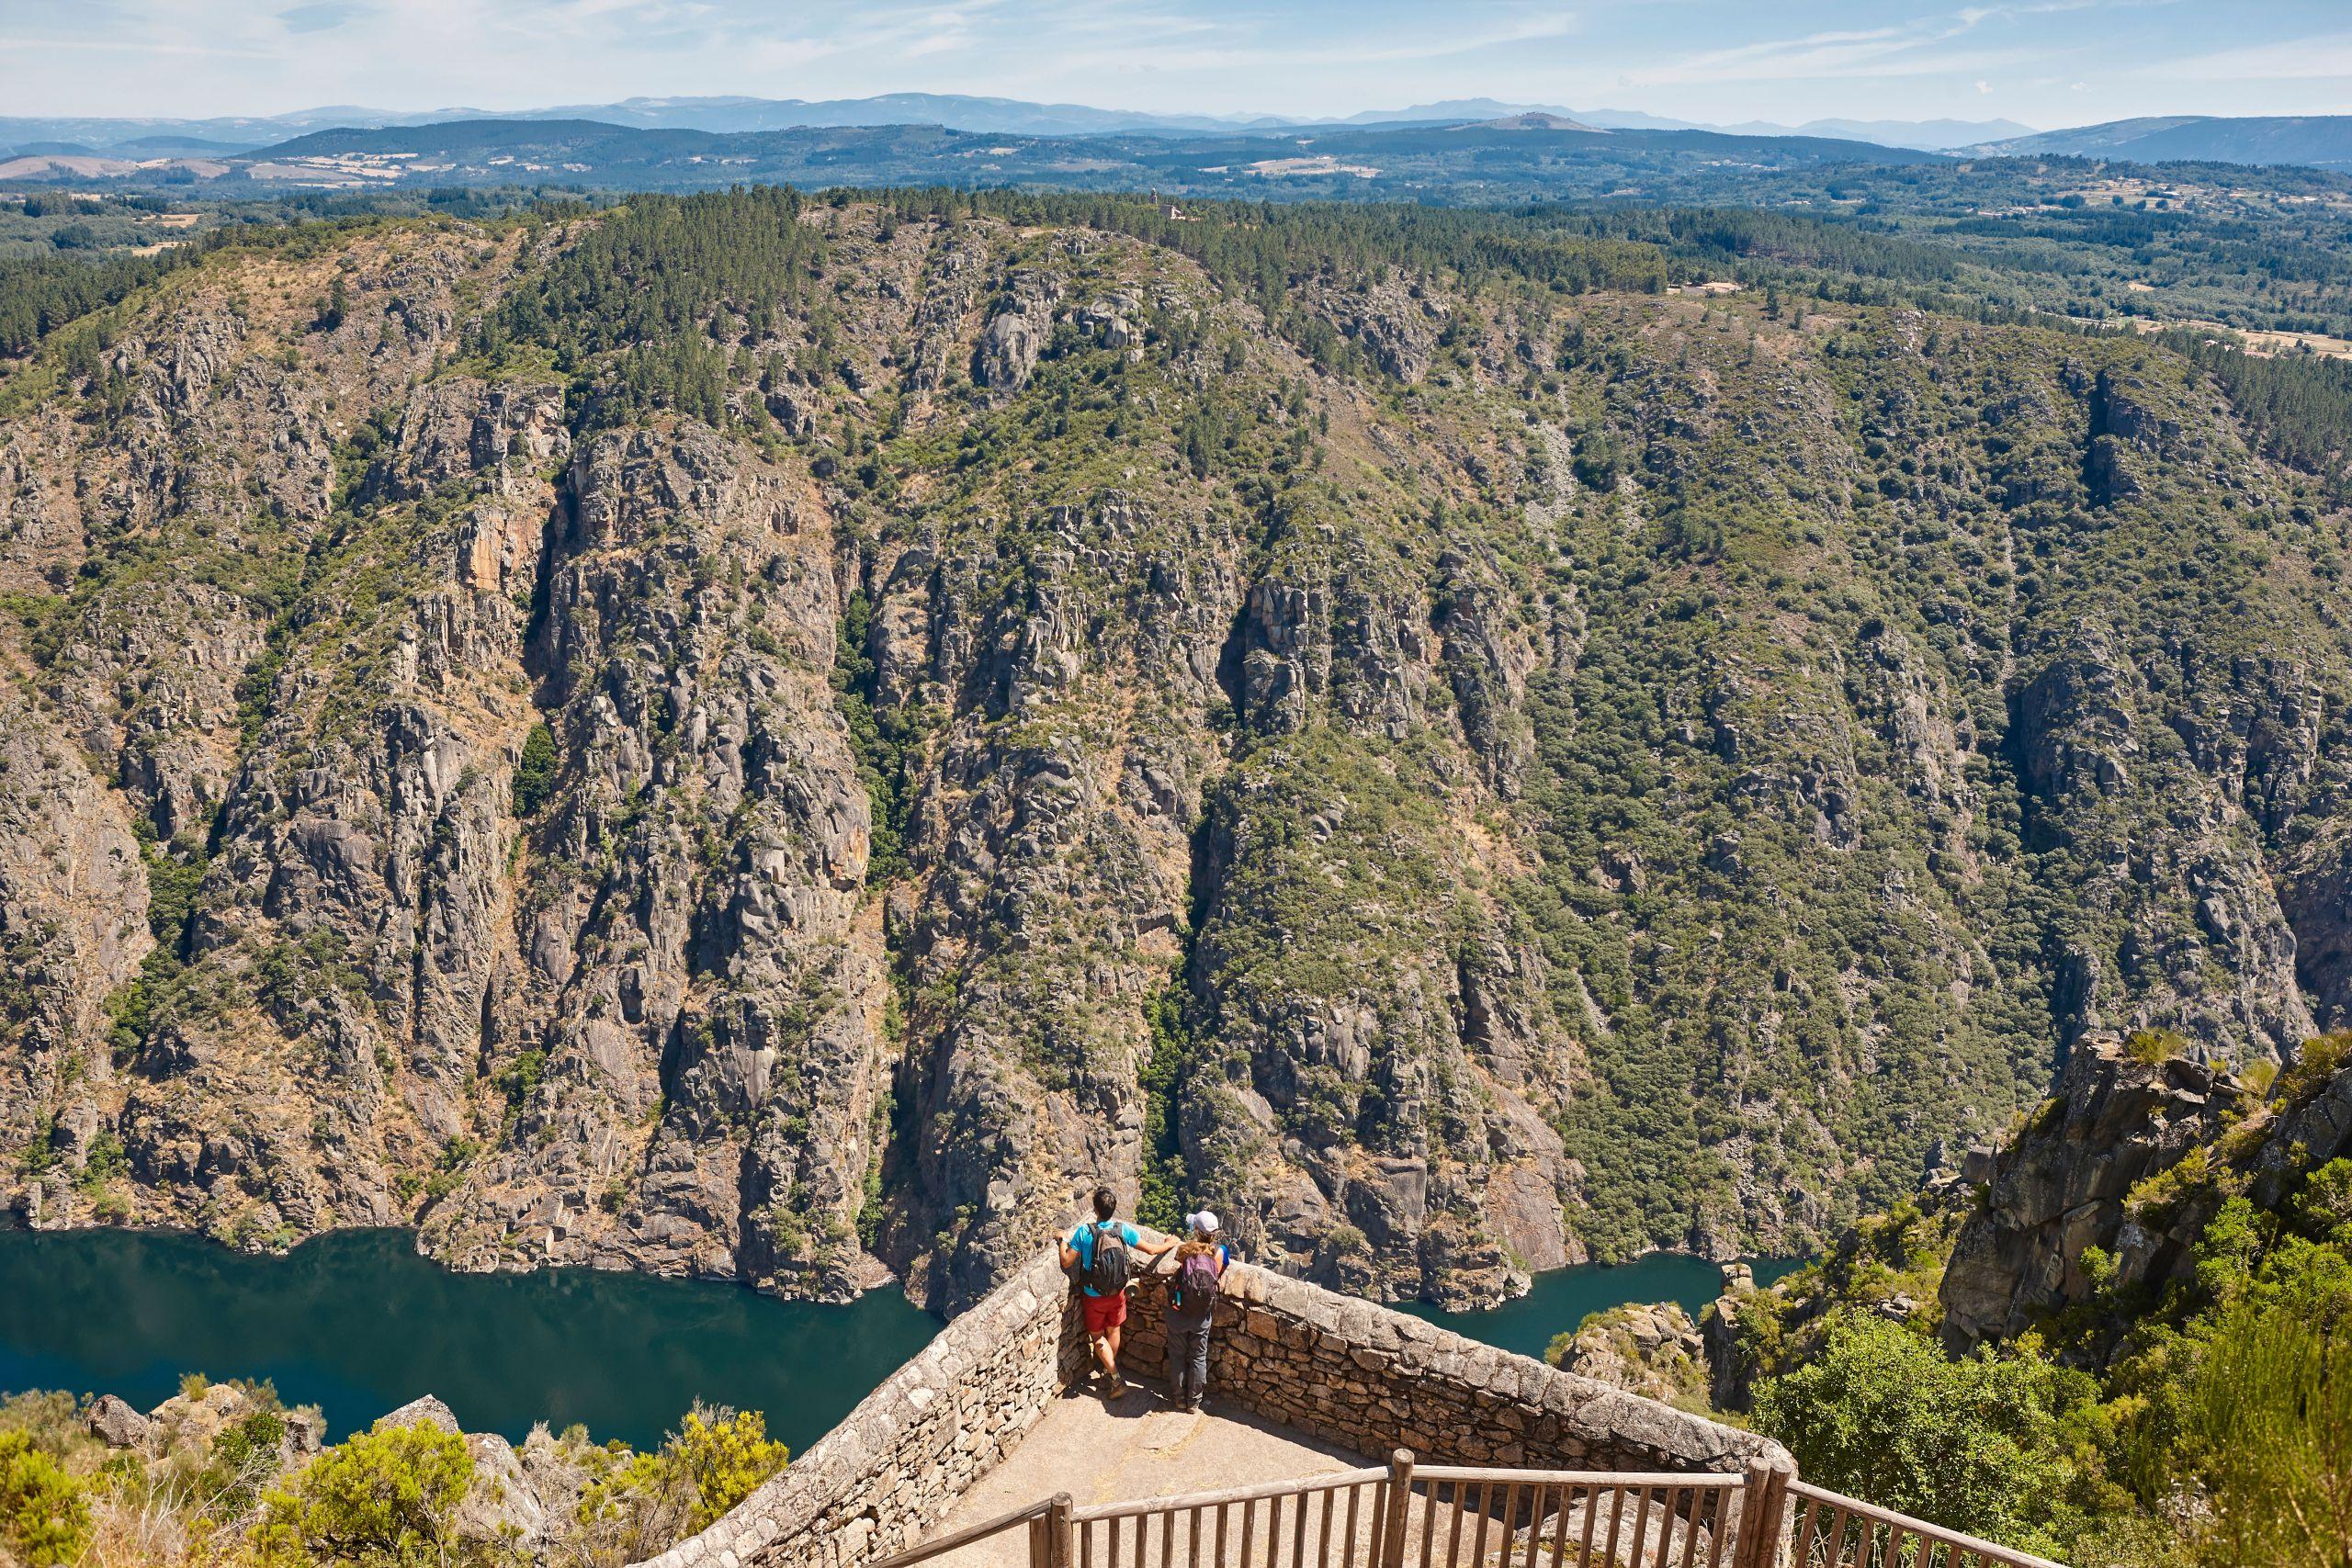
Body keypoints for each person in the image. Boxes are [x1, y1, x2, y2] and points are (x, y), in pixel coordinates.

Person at [1059, 1187, 1174, 1398]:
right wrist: (1170, 1243)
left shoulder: (1085, 1232)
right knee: (1114, 1331)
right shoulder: (1122, 1230)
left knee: (1097, 1337)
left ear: (1095, 1209)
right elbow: (1150, 1250)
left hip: (1093, 1296)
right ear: (1113, 1209)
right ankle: (1107, 1371)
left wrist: (1064, 1241)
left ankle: (1115, 1377)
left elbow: (1067, 1261)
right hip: (1118, 1293)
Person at [1162, 1210, 1232, 1412]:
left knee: (1177, 1354)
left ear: (1196, 1229)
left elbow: (1180, 1267)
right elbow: (1221, 1269)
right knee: (1198, 1356)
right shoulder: (1221, 1252)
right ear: (1214, 1234)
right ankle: (1194, 1401)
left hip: (1180, 1309)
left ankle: (1179, 1398)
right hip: (1202, 1312)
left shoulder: (1185, 1250)